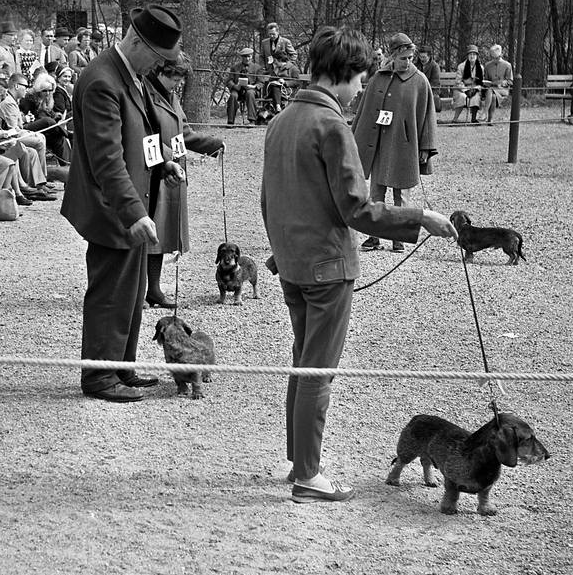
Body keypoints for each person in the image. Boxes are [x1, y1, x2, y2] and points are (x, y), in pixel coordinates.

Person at [262, 25, 456, 502]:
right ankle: (308, 476)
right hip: (327, 268)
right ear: (344, 74)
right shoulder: (332, 126)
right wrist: (420, 218)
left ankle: (299, 463)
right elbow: (357, 209)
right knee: (319, 372)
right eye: (359, 81)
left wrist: (282, 251)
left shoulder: (281, 119)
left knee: (303, 363)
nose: (359, 91)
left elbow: (270, 200)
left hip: (293, 265)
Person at [62, 5, 186, 402]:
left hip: (131, 202)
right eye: (158, 56)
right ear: (137, 43)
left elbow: (140, 136)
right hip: (112, 207)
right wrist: (133, 212)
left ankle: (120, 367)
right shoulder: (102, 80)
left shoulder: (130, 74)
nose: (159, 65)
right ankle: (99, 377)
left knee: (132, 292)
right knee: (110, 292)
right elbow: (107, 160)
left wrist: (161, 163)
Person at [144, 53, 224, 307]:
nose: (178, 84)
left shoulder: (171, 97)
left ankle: (153, 289)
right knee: (144, 233)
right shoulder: (143, 92)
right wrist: (165, 159)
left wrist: (212, 145)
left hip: (171, 174)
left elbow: (183, 133)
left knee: (160, 236)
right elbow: (142, 136)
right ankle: (134, 291)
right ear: (161, 71)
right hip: (150, 174)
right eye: (175, 78)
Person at [351, 32, 437, 253]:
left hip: (404, 146)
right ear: (392, 56)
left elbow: (427, 117)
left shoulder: (419, 81)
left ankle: (398, 237)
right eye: (403, 58)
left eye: (410, 58)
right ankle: (374, 236)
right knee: (376, 192)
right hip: (379, 144)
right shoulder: (378, 78)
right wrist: (355, 140)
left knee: (402, 194)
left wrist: (426, 147)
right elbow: (364, 112)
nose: (407, 62)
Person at [480, 44, 513, 125]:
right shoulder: (488, 65)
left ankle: (484, 112)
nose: (495, 60)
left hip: (502, 89)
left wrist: (502, 83)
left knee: (491, 91)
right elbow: (486, 79)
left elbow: (510, 81)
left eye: (497, 58)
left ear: (501, 55)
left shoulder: (507, 65)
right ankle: (490, 119)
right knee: (493, 95)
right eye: (493, 58)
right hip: (490, 89)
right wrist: (486, 83)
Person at [225, 48, 260, 125]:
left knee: (250, 93)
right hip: (238, 89)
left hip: (251, 89)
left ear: (252, 56)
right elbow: (229, 80)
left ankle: (252, 120)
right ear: (241, 57)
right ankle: (230, 121)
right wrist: (234, 86)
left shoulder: (257, 67)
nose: (247, 59)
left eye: (249, 56)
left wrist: (253, 86)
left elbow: (260, 82)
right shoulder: (235, 67)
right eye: (245, 57)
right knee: (233, 96)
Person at [452, 45, 485, 124]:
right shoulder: (461, 66)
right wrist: (466, 90)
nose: (472, 56)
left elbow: (481, 82)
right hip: (461, 89)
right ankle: (455, 119)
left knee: (476, 97)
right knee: (462, 97)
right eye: (470, 54)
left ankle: (474, 118)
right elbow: (458, 82)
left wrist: (475, 89)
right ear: (467, 56)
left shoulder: (480, 68)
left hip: (474, 88)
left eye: (474, 54)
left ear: (477, 56)